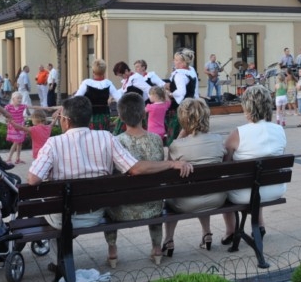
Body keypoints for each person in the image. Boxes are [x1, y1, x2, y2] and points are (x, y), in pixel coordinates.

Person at [27, 97, 193, 253]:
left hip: (62, 218)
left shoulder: (53, 143)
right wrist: (171, 164)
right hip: (94, 214)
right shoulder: (106, 138)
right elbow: (135, 168)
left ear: (67, 120)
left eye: (60, 116)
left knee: (51, 211)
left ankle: (60, 260)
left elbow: (33, 179)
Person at [102, 93, 165, 267]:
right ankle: (157, 248)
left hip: (122, 209)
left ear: (120, 117)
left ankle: (112, 251)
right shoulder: (156, 139)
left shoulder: (116, 141)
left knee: (107, 201)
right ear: (144, 114)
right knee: (155, 193)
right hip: (152, 206)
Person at [220, 86, 286, 245]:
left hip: (244, 194)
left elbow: (224, 165)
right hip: (275, 189)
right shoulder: (279, 130)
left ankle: (231, 230)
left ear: (247, 107)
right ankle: (259, 225)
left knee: (224, 187)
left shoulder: (238, 133)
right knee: (258, 177)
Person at [163, 98, 226, 258]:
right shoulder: (218, 140)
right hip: (217, 198)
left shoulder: (177, 145)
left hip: (186, 203)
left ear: (183, 119)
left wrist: (180, 136)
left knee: (172, 190)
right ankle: (207, 233)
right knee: (205, 184)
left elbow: (169, 174)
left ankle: (168, 239)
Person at [74, 59, 121, 131]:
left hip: (89, 116)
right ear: (104, 71)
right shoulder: (108, 83)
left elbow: (76, 99)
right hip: (104, 116)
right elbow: (120, 99)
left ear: (93, 71)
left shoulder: (86, 83)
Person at [166, 49, 199, 141]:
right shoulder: (191, 70)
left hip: (181, 106)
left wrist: (170, 94)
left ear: (183, 63)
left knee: (177, 131)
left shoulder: (180, 75)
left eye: (177, 60)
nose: (174, 62)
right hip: (191, 103)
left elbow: (181, 92)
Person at [4, 92, 29, 165]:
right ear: (13, 99)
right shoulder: (8, 107)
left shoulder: (22, 106)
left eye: (21, 98)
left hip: (21, 126)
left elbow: (34, 107)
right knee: (16, 142)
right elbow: (2, 112)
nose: (20, 99)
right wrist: (7, 118)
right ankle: (9, 158)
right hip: (14, 127)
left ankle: (18, 158)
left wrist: (48, 108)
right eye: (18, 98)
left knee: (20, 143)